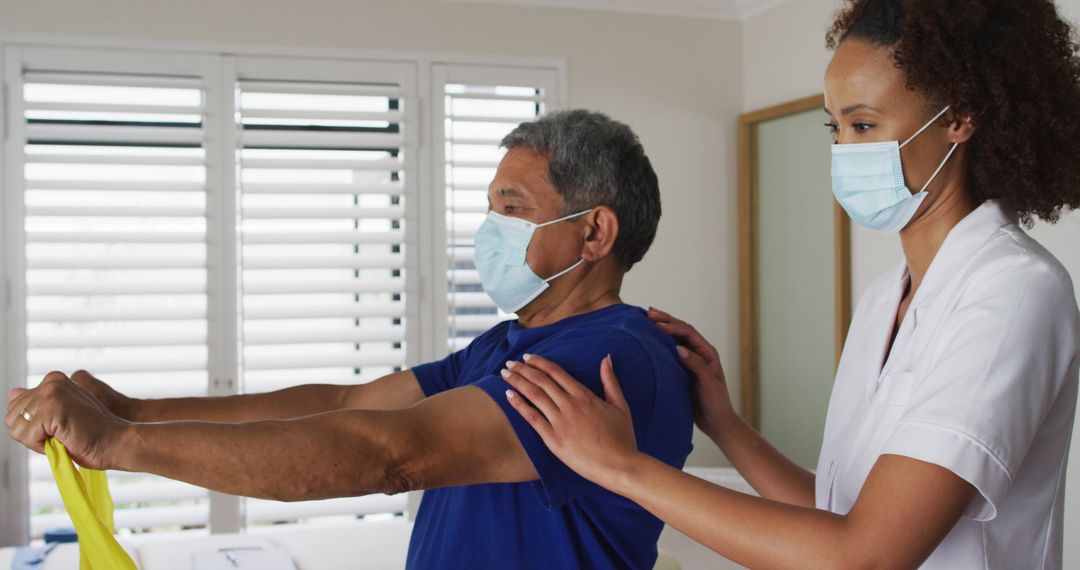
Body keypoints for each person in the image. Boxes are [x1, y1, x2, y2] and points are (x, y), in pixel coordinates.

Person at [500, 1, 1080, 568]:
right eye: (836, 127)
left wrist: (622, 467)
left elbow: (866, 554)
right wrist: (725, 425)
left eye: (864, 124)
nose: (842, 151)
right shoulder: (886, 299)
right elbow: (834, 515)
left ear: (960, 116)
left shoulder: (1014, 293)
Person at [5, 110, 695, 569]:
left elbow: (389, 455)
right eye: (489, 209)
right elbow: (349, 401)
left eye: (511, 210)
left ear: (595, 232)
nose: (489, 231)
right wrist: (131, 410)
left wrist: (122, 446)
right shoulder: (508, 344)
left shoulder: (614, 356)